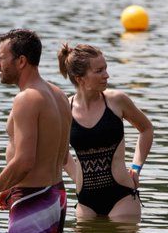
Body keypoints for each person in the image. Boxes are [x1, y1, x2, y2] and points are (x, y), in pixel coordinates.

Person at [0, 29, 73, 233]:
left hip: (34, 198)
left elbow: (25, 161)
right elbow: (60, 155)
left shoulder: (27, 99)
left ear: (21, 61)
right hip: (56, 195)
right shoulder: (59, 95)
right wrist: (9, 186)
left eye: (1, 58)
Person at [58, 42, 153, 222]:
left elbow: (146, 129)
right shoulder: (65, 108)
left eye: (106, 69)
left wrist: (136, 168)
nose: (106, 75)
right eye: (99, 71)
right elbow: (61, 154)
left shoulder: (117, 100)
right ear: (80, 78)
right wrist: (77, 178)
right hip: (86, 202)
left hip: (121, 196)